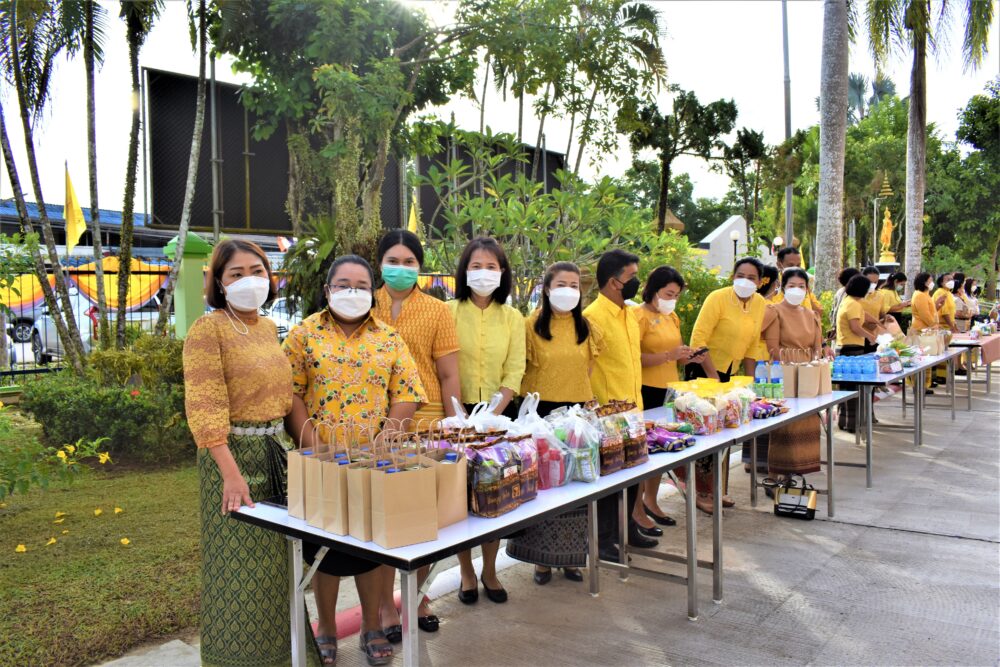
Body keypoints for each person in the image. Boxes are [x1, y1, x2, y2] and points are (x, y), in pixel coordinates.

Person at [183, 239, 322, 667]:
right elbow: (204, 406)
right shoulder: (208, 330)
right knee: (240, 569)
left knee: (280, 567)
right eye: (236, 274)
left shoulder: (266, 327)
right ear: (219, 283)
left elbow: (282, 397)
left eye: (257, 271)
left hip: (273, 454)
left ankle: (288, 656)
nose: (249, 280)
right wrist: (230, 473)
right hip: (232, 461)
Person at [284, 255, 426, 666]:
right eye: (343, 284)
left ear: (373, 292)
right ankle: (326, 627)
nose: (353, 292)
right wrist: (315, 447)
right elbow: (290, 393)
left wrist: (386, 439)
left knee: (371, 545)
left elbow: (407, 392)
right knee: (324, 549)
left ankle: (371, 625)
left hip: (374, 464)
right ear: (327, 290)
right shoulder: (303, 334)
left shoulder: (389, 338)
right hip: (319, 462)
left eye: (361, 285)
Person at [372, 230, 461, 637]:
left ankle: (419, 599)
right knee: (380, 518)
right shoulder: (363, 303)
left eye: (410, 262)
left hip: (425, 424)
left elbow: (448, 373)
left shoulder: (437, 311)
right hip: (374, 425)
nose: (401, 268)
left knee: (421, 518)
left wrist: (453, 424)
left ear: (420, 267)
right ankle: (383, 607)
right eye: (393, 260)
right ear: (379, 263)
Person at [507, 261, 601, 585]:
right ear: (547, 289)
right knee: (546, 486)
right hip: (542, 415)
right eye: (562, 284)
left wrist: (580, 408)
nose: (569, 291)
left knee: (576, 484)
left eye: (574, 285)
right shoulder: (529, 325)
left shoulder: (587, 327)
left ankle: (571, 558)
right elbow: (520, 369)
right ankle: (541, 561)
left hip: (577, 416)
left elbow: (587, 370)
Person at [448, 237, 526, 605]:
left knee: (493, 492)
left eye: (491, 267)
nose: (483, 273)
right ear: (464, 271)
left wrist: (495, 412)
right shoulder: (447, 311)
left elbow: (515, 367)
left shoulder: (512, 318)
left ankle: (489, 569)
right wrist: (458, 416)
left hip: (497, 417)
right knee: (461, 497)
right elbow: (442, 364)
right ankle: (466, 570)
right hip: (456, 415)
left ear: (503, 272)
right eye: (476, 266)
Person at [583, 249, 655, 561]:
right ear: (614, 282)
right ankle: (603, 540)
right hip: (608, 415)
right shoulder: (592, 318)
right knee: (611, 482)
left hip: (633, 410)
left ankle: (627, 528)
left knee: (633, 475)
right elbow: (586, 369)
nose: (637, 281)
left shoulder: (629, 314)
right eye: (632, 276)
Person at [686, 257, 767, 513]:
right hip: (704, 370)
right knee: (706, 434)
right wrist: (714, 379)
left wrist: (750, 385)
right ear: (732, 276)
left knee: (725, 433)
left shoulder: (760, 303)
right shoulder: (717, 298)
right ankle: (701, 492)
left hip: (730, 375)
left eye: (751, 277)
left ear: (760, 282)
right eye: (740, 275)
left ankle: (718, 489)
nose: (745, 281)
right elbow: (698, 339)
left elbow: (753, 346)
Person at [632, 266, 708, 529]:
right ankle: (636, 508)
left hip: (669, 390)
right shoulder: (638, 316)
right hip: (645, 389)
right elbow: (634, 357)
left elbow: (676, 353)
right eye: (668, 294)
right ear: (653, 290)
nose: (672, 300)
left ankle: (651, 500)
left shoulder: (671, 316)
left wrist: (690, 356)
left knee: (662, 447)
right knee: (645, 450)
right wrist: (668, 356)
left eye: (676, 295)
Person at [761, 268, 827, 481]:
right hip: (784, 373)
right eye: (792, 286)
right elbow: (773, 348)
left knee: (807, 422)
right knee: (784, 425)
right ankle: (774, 475)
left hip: (808, 373)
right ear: (783, 286)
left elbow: (817, 347)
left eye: (801, 286)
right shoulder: (774, 311)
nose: (797, 290)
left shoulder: (811, 315)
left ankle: (794, 472)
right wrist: (791, 363)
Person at [744, 263, 780, 474]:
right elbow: (771, 343)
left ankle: (751, 459)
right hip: (760, 363)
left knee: (752, 411)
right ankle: (759, 459)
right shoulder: (768, 308)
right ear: (773, 284)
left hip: (748, 361)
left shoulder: (746, 305)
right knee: (762, 410)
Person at [836, 274, 880, 431]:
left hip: (846, 348)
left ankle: (845, 421)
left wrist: (878, 322)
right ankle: (852, 424)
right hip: (851, 350)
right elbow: (855, 327)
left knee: (846, 387)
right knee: (853, 388)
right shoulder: (853, 304)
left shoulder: (849, 301)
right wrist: (870, 336)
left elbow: (864, 316)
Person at [775, 247, 823, 316]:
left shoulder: (804, 285)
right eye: (791, 265)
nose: (795, 268)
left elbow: (819, 312)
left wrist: (807, 290)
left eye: (798, 265)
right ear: (779, 264)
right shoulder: (773, 286)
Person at [859, 266, 887, 351]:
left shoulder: (880, 296)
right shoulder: (856, 296)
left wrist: (886, 317)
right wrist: (866, 324)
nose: (873, 284)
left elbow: (881, 313)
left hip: (875, 336)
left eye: (875, 282)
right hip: (858, 335)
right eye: (870, 282)